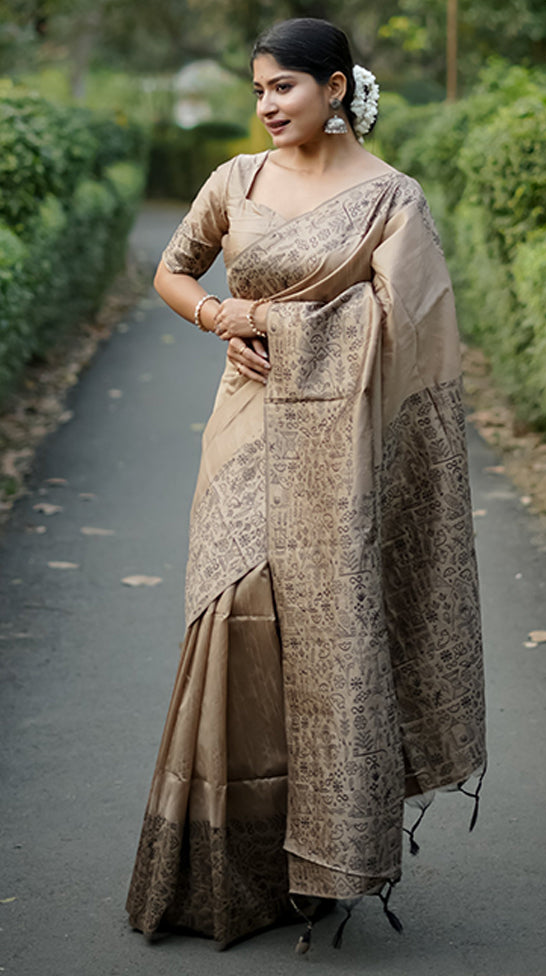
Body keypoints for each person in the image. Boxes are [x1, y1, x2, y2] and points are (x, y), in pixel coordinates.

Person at [126, 16, 486, 953]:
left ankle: (321, 859)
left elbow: (417, 332)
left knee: (328, 628)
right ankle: (224, 870)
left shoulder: (391, 198)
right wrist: (223, 313)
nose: (266, 106)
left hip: (340, 444)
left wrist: (309, 329)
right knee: (235, 610)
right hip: (244, 430)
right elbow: (173, 270)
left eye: (282, 87)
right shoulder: (235, 181)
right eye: (256, 91)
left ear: (335, 86)